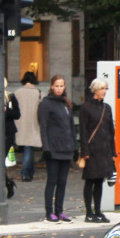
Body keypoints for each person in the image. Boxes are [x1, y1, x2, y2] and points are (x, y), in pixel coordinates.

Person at [37, 75, 78, 222]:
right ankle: (49, 212)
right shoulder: (46, 104)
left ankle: (60, 210)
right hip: (53, 148)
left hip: (66, 147)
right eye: (57, 86)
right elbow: (43, 126)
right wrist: (46, 147)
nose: (60, 89)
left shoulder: (66, 103)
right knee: (52, 180)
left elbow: (71, 127)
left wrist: (75, 146)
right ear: (52, 87)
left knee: (62, 181)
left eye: (62, 86)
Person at [78, 77, 115, 223]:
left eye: (106, 89)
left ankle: (98, 211)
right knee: (90, 180)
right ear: (95, 90)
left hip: (104, 150)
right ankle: (89, 212)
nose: (104, 91)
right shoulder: (85, 107)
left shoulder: (107, 108)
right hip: (92, 150)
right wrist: (85, 151)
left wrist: (113, 151)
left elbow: (111, 131)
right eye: (102, 89)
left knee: (100, 181)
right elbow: (83, 131)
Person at [13, 72, 43, 182]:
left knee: (27, 147)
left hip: (21, 123)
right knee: (29, 147)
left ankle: (28, 172)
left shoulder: (17, 93)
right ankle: (26, 172)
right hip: (34, 123)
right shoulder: (38, 93)